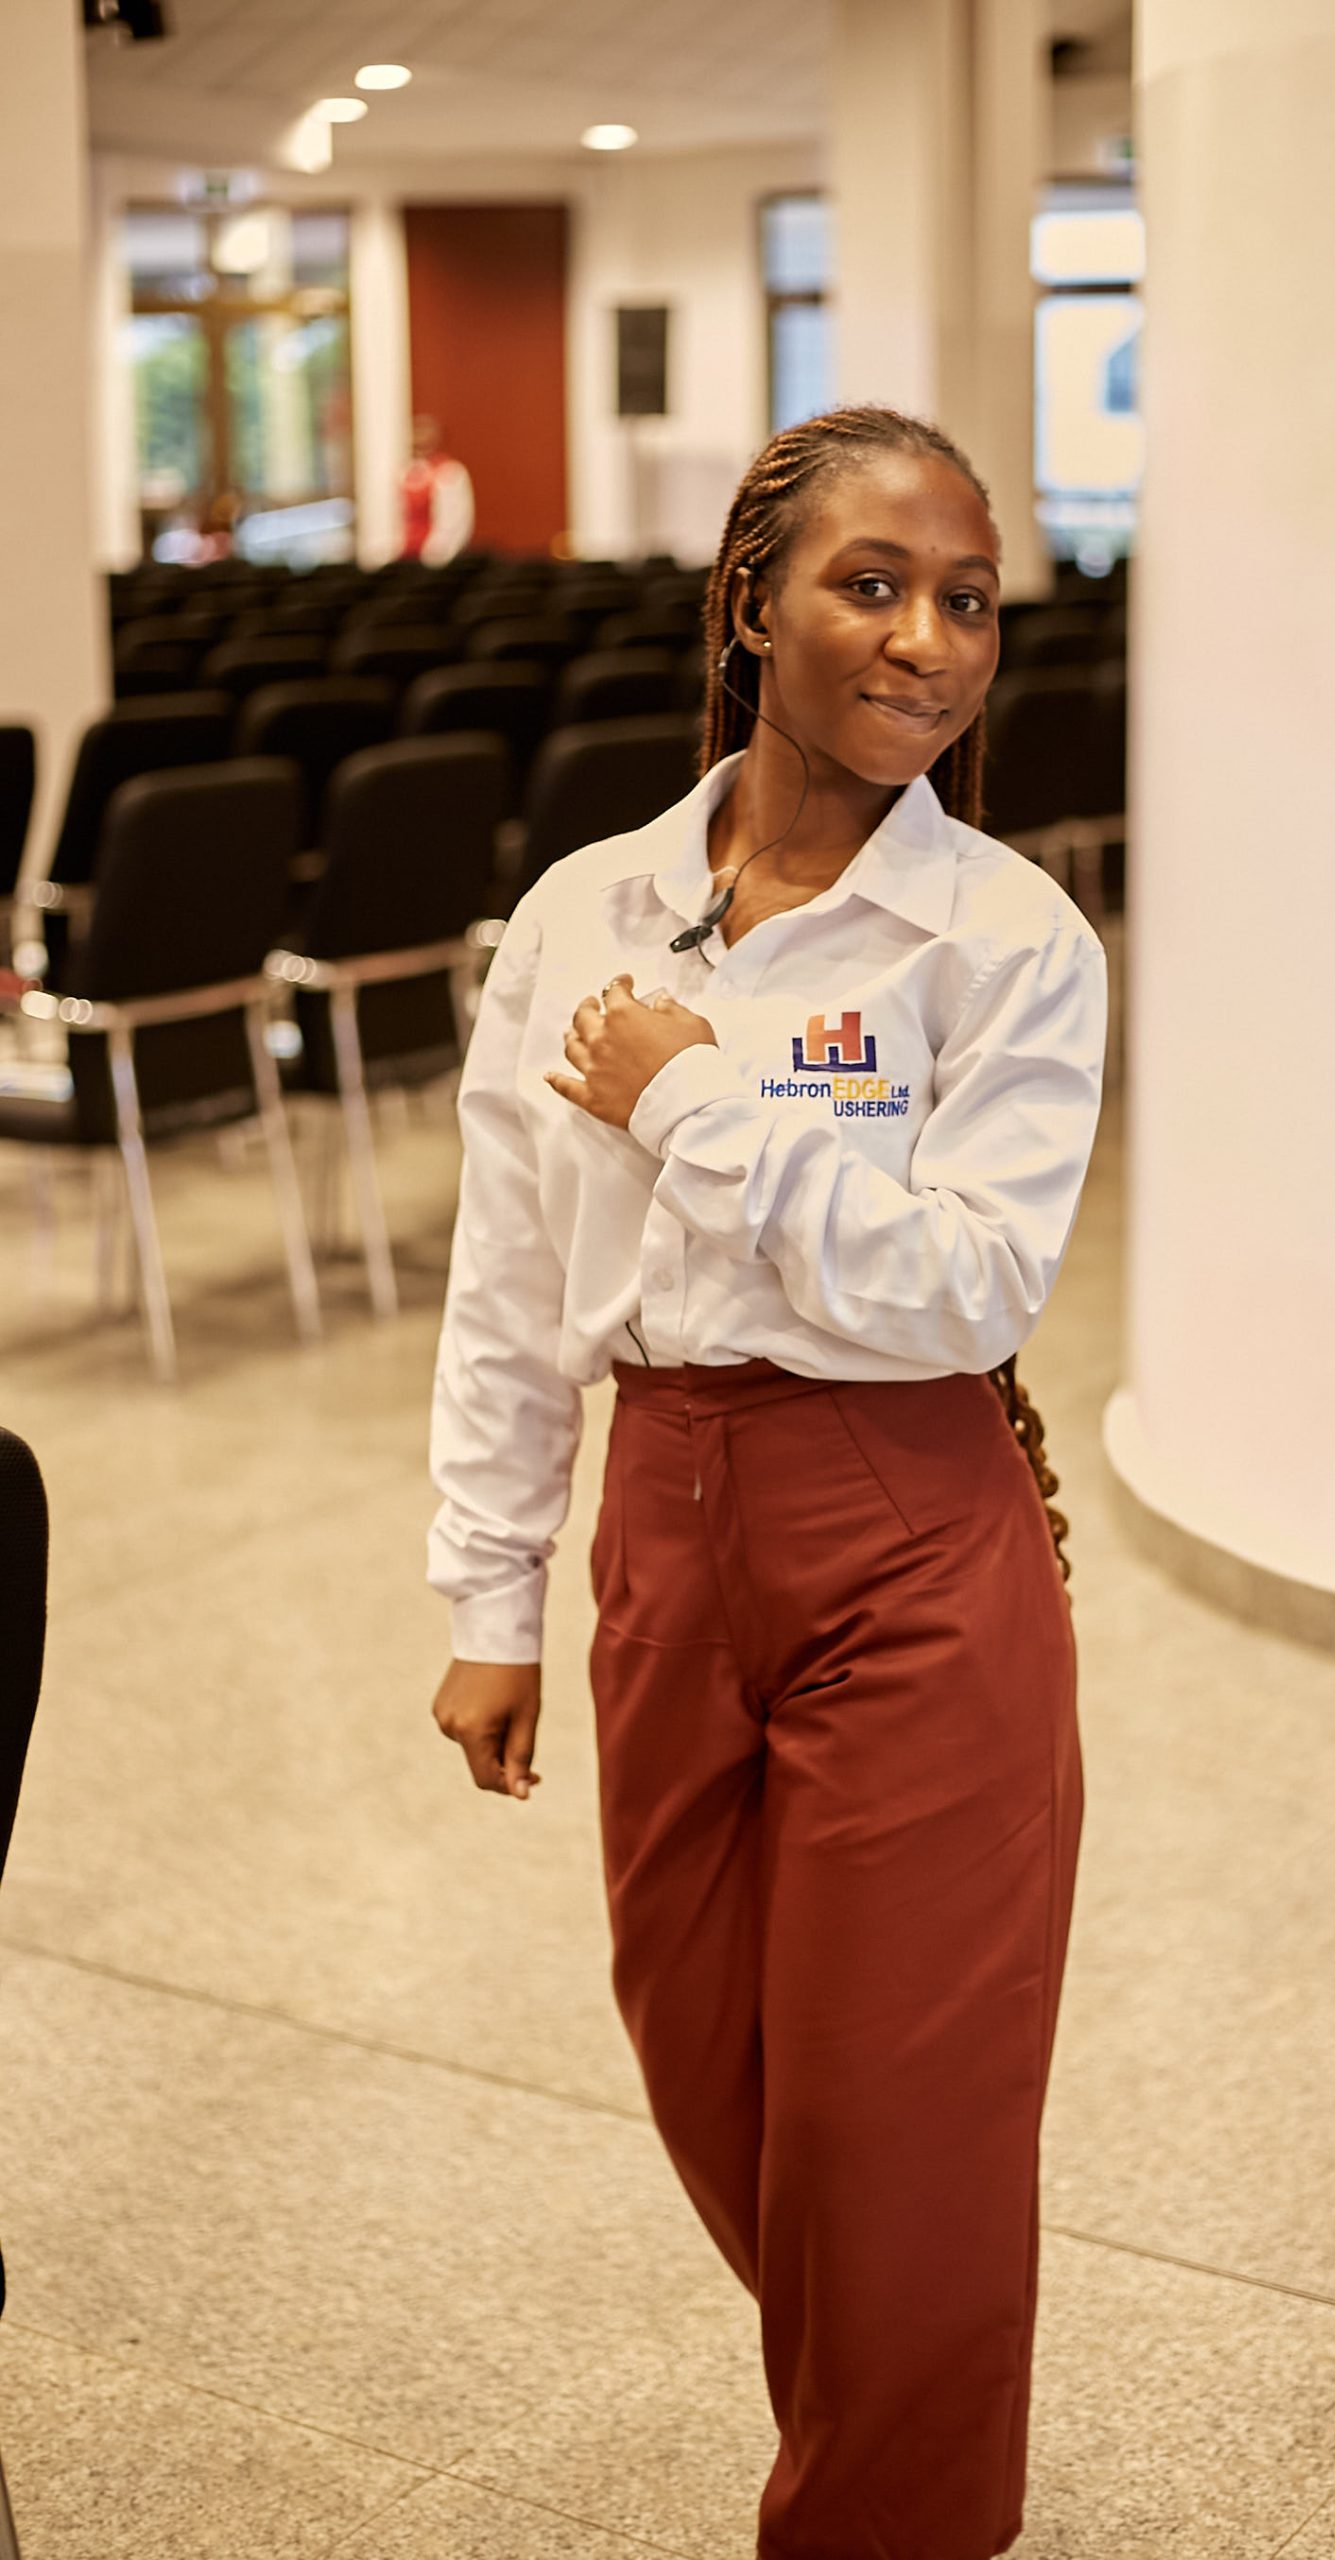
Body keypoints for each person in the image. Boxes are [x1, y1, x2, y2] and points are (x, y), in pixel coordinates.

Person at [427, 404, 1108, 2560]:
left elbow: (967, 1284)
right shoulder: (584, 912)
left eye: (967, 601)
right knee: (711, 2065)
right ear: (748, 602)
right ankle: (890, 2415)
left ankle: (884, 2511)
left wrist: (700, 1103)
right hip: (664, 1520)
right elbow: (507, 1279)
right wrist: (490, 1593)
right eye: (870, 584)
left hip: (904, 1528)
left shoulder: (1003, 940)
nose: (926, 641)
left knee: (895, 2129)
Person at [398, 412, 473, 563]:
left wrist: (440, 551)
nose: (420, 439)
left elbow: (456, 517)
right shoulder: (403, 472)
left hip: (436, 554)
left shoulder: (449, 472)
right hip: (405, 552)